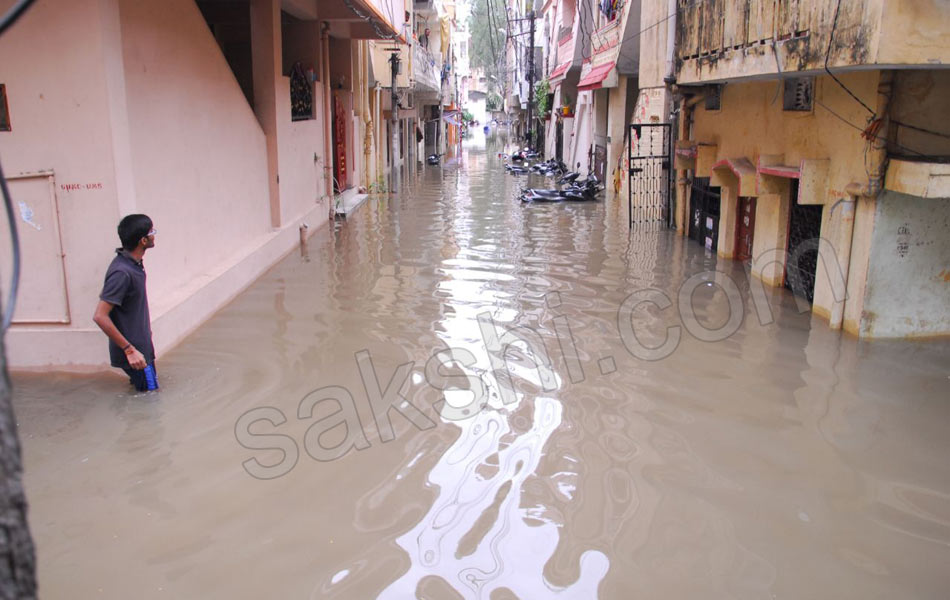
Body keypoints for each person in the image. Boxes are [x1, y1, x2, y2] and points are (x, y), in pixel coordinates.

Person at [92, 214, 158, 391]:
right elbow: (100, 316)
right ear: (143, 240)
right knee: (151, 399)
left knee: (145, 395)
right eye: (152, 231)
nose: (154, 234)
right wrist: (130, 350)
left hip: (142, 349)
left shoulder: (134, 264)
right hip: (136, 354)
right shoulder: (122, 273)